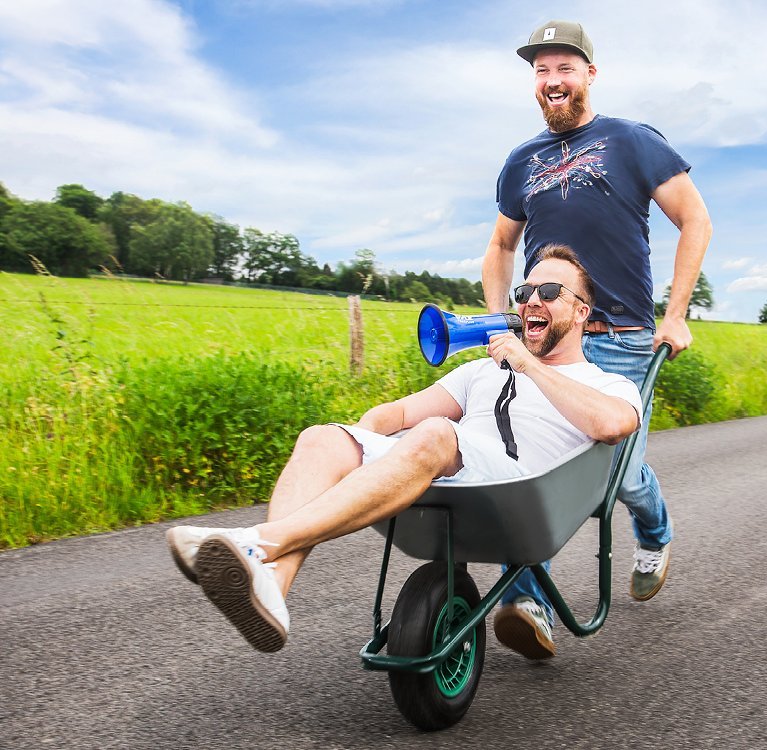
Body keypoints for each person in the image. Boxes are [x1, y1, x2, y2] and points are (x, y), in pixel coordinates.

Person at [165, 245, 642, 656]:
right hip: (455, 472)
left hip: (521, 495)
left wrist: (528, 366)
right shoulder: (481, 371)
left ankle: (258, 542)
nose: (531, 301)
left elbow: (613, 425)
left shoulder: (606, 384)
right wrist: (360, 444)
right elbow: (394, 414)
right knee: (321, 437)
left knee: (436, 433)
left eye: (550, 292)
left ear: (582, 312)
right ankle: (273, 583)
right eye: (525, 291)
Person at [482, 20, 713, 647]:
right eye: (541, 70)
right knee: (529, 463)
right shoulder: (522, 161)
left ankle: (655, 533)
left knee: (619, 476)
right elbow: (500, 245)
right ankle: (527, 603)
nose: (552, 80)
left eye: (565, 67)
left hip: (624, 335)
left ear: (589, 73)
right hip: (548, 334)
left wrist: (676, 314)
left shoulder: (632, 140)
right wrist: (503, 315)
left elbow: (695, 219)